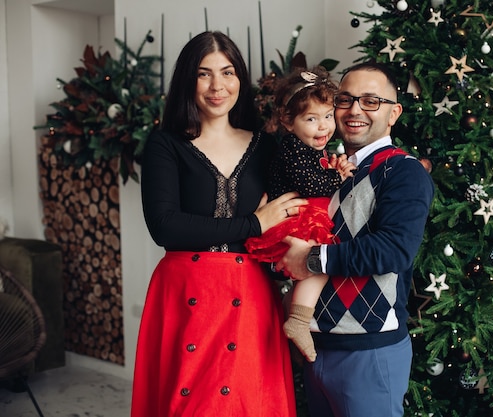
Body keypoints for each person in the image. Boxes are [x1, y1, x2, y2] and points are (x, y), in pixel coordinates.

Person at [132, 31, 305, 417]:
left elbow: (291, 214)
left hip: (252, 295)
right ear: (187, 82)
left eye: (227, 72)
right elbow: (166, 227)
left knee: (250, 401)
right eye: (203, 74)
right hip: (186, 294)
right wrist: (253, 224)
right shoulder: (165, 145)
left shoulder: (267, 146)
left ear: (239, 79)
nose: (217, 86)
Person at [275, 62, 435, 417]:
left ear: (394, 113)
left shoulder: (402, 170)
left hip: (368, 348)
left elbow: (394, 250)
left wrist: (312, 258)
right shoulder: (325, 167)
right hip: (315, 345)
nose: (355, 110)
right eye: (345, 99)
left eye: (371, 101)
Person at [244, 67, 355, 363]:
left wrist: (334, 169)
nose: (323, 127)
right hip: (294, 221)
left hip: (305, 218)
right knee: (321, 261)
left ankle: (290, 310)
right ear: (287, 122)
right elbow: (309, 184)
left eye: (328, 116)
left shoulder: (310, 149)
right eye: (311, 119)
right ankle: (299, 320)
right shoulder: (292, 149)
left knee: (318, 265)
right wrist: (338, 179)